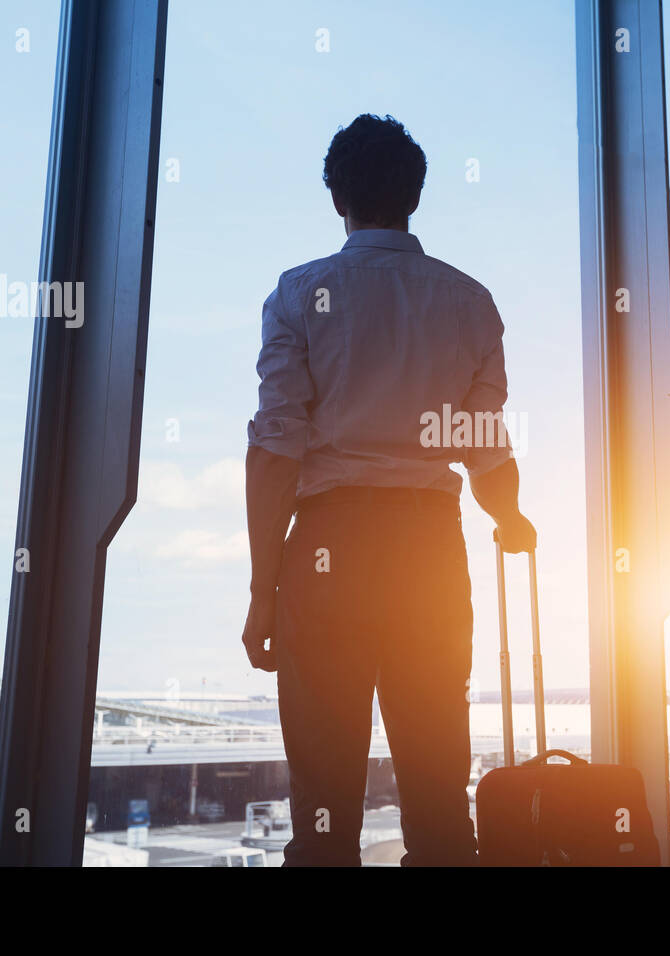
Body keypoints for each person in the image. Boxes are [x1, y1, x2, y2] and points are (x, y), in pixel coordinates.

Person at [241, 113, 536, 866]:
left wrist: (262, 588)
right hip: (427, 548)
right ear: (416, 195)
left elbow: (275, 450)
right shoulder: (469, 302)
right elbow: (484, 447)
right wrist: (510, 519)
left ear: (337, 197)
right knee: (439, 793)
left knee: (326, 809)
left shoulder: (301, 294)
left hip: (328, 548)